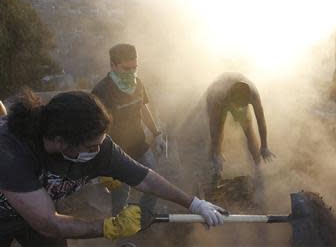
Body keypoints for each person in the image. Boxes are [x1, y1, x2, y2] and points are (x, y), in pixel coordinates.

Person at [0, 91, 225, 246]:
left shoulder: (97, 145)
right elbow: (49, 224)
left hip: (38, 214)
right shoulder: (11, 152)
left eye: (101, 143)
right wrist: (111, 226)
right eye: (91, 147)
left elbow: (144, 178)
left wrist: (194, 203)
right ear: (60, 141)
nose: (99, 151)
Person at [92, 43, 166, 216]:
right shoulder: (102, 91)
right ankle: (121, 233)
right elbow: (93, 127)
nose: (132, 72)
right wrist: (98, 163)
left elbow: (142, 108)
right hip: (115, 152)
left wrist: (157, 134)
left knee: (155, 184)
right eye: (127, 68)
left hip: (139, 144)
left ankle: (143, 217)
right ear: (113, 65)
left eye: (135, 67)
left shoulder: (137, 84)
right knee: (121, 195)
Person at [205, 73, 275, 182]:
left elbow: (260, 120)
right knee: (219, 129)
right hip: (218, 98)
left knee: (248, 129)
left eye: (243, 105)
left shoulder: (253, 94)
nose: (239, 108)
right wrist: (216, 151)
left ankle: (258, 168)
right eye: (238, 105)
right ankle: (215, 167)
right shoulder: (219, 95)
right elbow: (213, 126)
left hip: (235, 97)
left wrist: (264, 146)